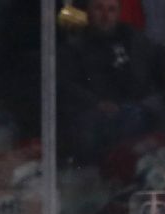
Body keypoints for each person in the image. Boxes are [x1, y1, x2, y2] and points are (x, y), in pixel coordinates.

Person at [56, 0, 157, 165]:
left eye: (111, 10)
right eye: (99, 8)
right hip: (91, 113)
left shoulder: (132, 38)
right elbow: (67, 84)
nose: (105, 16)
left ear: (118, 13)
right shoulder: (75, 45)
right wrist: (96, 103)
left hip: (131, 108)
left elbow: (147, 75)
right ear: (88, 11)